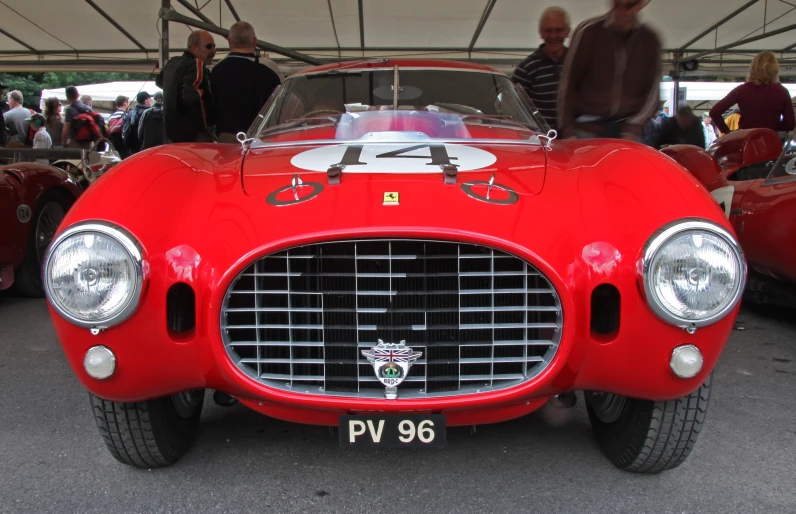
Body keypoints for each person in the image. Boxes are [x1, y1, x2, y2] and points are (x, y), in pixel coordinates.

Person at [557, 0, 661, 140]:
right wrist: (568, 131)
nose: (622, 11)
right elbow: (568, 84)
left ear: (640, 5)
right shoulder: (588, 32)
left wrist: (633, 127)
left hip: (629, 132)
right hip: (586, 129)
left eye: (629, 6)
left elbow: (653, 92)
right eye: (617, 4)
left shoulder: (650, 40)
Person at [211, 21, 283, 143]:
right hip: (260, 138)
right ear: (254, 41)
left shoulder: (216, 70)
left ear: (229, 41)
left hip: (226, 138)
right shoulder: (269, 67)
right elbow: (283, 98)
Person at [510, 7, 570, 131]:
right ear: (541, 33)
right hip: (540, 137)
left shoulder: (577, 61)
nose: (553, 36)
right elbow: (512, 103)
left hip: (575, 137)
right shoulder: (527, 67)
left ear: (567, 32)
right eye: (548, 31)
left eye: (558, 30)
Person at [709, 51, 795, 136]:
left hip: (747, 140)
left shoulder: (741, 90)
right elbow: (790, 124)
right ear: (775, 70)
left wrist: (727, 131)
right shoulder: (782, 91)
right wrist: (773, 125)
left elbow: (714, 112)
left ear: (753, 68)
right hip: (770, 141)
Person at [156, 30, 216, 143]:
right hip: (194, 135)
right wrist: (205, 128)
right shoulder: (196, 63)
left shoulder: (172, 62)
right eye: (209, 46)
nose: (213, 51)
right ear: (194, 48)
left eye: (214, 46)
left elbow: (159, 81)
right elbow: (192, 98)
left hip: (171, 133)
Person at [62, 86, 106, 151]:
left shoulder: (70, 110)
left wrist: (64, 144)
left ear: (67, 97)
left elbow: (66, 128)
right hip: (89, 143)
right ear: (78, 95)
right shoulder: (88, 108)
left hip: (76, 143)